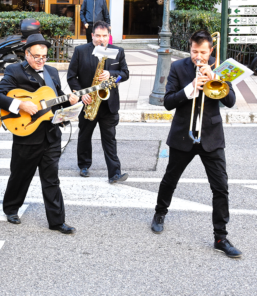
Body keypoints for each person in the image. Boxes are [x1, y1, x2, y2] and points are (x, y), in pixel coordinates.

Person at [150, 30, 242, 258]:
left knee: (220, 187)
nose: (198, 57)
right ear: (189, 48)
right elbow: (168, 102)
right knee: (170, 178)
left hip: (211, 137)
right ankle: (160, 212)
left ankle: (220, 237)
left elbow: (230, 102)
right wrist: (190, 89)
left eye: (203, 52)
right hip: (184, 134)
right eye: (194, 51)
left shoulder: (220, 68)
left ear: (211, 51)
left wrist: (215, 79)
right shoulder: (178, 67)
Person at [0, 34, 79, 234]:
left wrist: (70, 102)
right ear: (26, 53)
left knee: (52, 179)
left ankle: (57, 221)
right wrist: (20, 104)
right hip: (26, 134)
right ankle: (11, 209)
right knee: (20, 176)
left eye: (44, 56)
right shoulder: (14, 71)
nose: (41, 60)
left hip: (51, 135)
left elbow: (55, 100)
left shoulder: (52, 72)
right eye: (37, 56)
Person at [67, 21, 129, 182]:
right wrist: (81, 94)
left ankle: (115, 173)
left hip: (109, 104)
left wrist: (112, 75)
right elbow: (71, 76)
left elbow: (125, 74)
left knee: (110, 139)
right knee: (84, 136)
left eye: (105, 36)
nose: (102, 39)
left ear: (109, 36)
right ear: (92, 35)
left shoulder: (118, 51)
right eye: (98, 36)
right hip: (88, 101)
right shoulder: (80, 51)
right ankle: (84, 165)